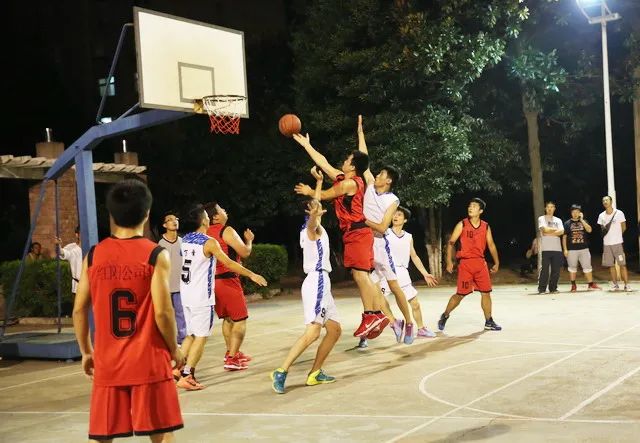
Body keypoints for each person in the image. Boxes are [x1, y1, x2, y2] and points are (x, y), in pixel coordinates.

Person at [72, 179, 185, 442]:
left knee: (103, 435)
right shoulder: (155, 254)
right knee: (161, 432)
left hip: (108, 362)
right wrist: (174, 348)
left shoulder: (94, 255)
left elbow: (79, 310)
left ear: (112, 215)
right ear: (146, 214)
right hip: (149, 360)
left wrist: (86, 351)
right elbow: (163, 312)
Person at [293, 133, 383, 338]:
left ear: (353, 166)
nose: (344, 161)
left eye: (348, 160)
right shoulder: (345, 179)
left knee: (360, 275)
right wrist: (307, 145)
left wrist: (309, 190)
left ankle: (371, 315)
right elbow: (323, 163)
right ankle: (376, 314)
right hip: (357, 233)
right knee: (364, 275)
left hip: (357, 232)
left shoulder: (351, 184)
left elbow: (325, 195)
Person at [177, 204, 267, 390]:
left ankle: (175, 370)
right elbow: (229, 263)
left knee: (190, 335)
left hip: (186, 294)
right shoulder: (209, 242)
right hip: (201, 296)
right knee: (201, 336)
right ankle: (188, 374)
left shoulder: (184, 240)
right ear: (204, 221)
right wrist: (252, 274)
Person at [271, 168, 341, 394]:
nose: (319, 206)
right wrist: (314, 215)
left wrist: (319, 182)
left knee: (334, 330)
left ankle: (315, 373)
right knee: (313, 332)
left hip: (322, 282)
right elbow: (313, 222)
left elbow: (316, 205)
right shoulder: (312, 229)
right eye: (314, 207)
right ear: (309, 213)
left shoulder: (313, 226)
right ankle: (281, 371)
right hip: (317, 281)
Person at [357, 115, 414, 345]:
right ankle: (384, 323)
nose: (377, 175)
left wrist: (361, 220)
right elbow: (364, 160)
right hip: (364, 242)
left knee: (393, 285)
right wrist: (360, 133)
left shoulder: (393, 199)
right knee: (368, 286)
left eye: (381, 174)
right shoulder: (370, 185)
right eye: (378, 173)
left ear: (388, 181)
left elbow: (382, 226)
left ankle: (409, 323)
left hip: (380, 244)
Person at [438, 198, 502, 332]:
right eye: (469, 206)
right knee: (460, 294)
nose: (470, 208)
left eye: (474, 206)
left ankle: (489, 321)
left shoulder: (485, 226)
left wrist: (496, 262)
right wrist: (449, 261)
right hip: (466, 264)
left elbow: (491, 245)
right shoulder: (462, 224)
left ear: (481, 211)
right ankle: (445, 315)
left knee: (486, 293)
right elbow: (451, 243)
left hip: (480, 264)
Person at [204, 202, 254, 370]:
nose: (225, 211)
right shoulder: (226, 230)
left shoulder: (204, 233)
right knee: (240, 320)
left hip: (213, 282)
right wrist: (249, 241)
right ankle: (232, 359)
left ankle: (231, 352)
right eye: (221, 209)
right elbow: (245, 252)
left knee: (228, 319)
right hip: (228, 280)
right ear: (215, 217)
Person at [379, 207, 438, 341]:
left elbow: (414, 256)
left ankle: (421, 328)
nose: (395, 216)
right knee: (378, 301)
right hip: (386, 271)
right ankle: (394, 323)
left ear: (405, 220)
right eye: (394, 214)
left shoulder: (408, 237)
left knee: (415, 303)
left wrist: (425, 273)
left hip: (402, 272)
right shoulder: (385, 232)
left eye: (399, 215)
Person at [157, 212, 186, 345]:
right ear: (164, 225)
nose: (174, 222)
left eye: (176, 219)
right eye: (170, 220)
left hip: (181, 285)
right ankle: (167, 340)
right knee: (167, 315)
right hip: (166, 286)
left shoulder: (182, 242)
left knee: (181, 313)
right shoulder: (160, 244)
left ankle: (182, 339)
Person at [562, 204, 600, 292]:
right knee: (572, 268)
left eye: (577, 212)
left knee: (587, 267)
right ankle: (573, 285)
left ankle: (590, 284)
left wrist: (582, 220)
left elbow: (589, 230)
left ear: (580, 213)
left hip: (584, 249)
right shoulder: (567, 223)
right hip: (571, 249)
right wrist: (565, 249)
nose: (575, 214)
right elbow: (564, 237)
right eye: (573, 212)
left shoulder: (584, 221)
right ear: (571, 213)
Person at [597, 196, 631, 291]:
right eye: (603, 200)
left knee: (622, 264)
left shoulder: (619, 213)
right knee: (611, 265)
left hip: (618, 243)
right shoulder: (601, 215)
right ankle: (615, 285)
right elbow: (602, 230)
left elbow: (624, 227)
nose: (605, 202)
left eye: (607, 200)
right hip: (607, 244)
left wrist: (617, 236)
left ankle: (626, 285)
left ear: (611, 202)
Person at [55, 226, 84, 315]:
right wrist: (58, 245)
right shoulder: (72, 248)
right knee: (78, 312)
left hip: (93, 285)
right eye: (83, 232)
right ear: (77, 235)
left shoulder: (93, 247)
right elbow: (62, 253)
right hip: (78, 286)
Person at [537, 201, 564, 294]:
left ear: (554, 209)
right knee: (544, 269)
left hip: (557, 248)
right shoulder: (541, 218)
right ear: (545, 208)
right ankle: (542, 289)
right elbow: (544, 230)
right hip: (545, 248)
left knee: (556, 270)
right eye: (548, 207)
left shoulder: (558, 220)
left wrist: (549, 232)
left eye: (552, 207)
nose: (550, 209)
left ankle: (553, 288)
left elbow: (562, 231)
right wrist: (555, 231)